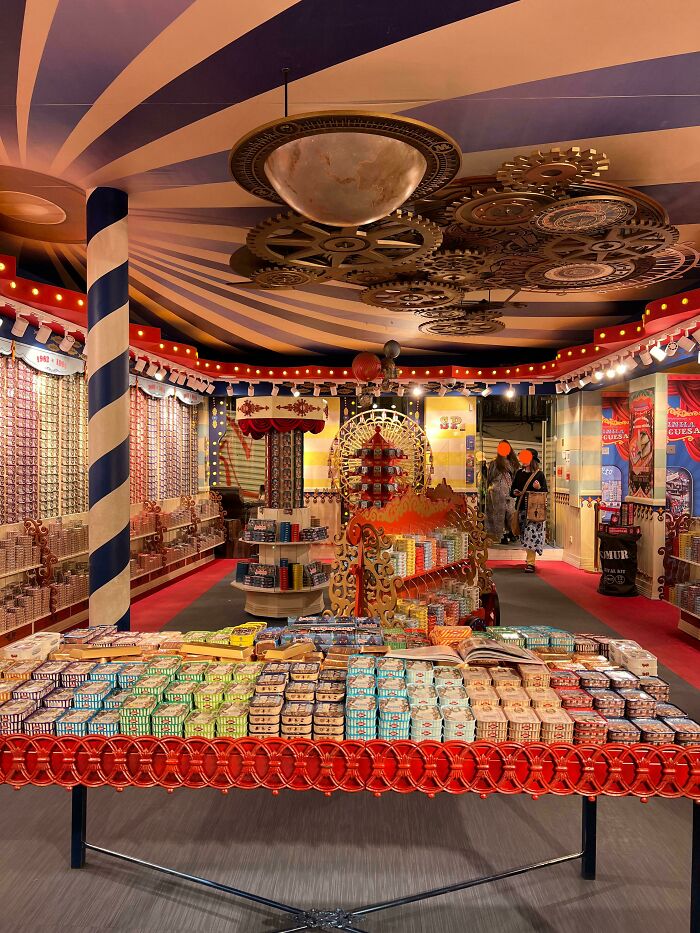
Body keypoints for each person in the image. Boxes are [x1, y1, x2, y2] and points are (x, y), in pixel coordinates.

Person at [510, 448, 548, 572]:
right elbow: (512, 490)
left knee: (531, 534)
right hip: (521, 508)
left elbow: (544, 492)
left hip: (535, 511)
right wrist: (515, 493)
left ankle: (531, 563)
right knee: (524, 536)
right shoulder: (519, 473)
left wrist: (539, 487)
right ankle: (529, 558)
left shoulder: (539, 474)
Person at [485, 440, 517, 544]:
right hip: (496, 492)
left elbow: (516, 477)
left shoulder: (513, 463)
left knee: (510, 513)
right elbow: (490, 478)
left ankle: (511, 532)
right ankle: (501, 535)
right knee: (498, 514)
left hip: (509, 490)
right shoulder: (494, 462)